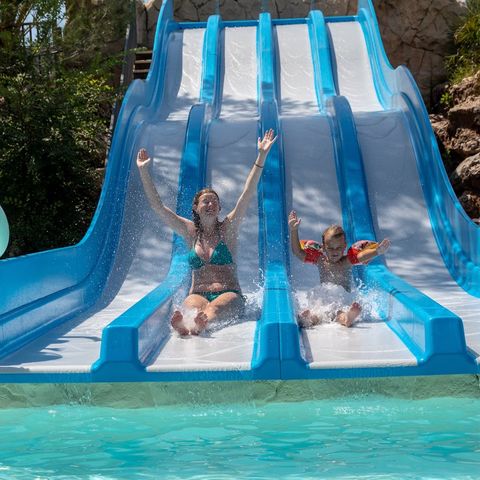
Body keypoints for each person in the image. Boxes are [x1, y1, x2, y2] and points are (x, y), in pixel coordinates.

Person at [137, 129, 277, 336]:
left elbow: (247, 193)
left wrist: (262, 156)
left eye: (214, 202)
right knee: (190, 306)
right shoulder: (189, 231)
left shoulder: (228, 228)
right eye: (206, 201)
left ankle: (197, 324)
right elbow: (158, 207)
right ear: (196, 208)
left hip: (229, 293)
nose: (210, 204)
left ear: (219, 208)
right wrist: (144, 172)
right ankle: (189, 323)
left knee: (214, 309)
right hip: (198, 293)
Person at [288, 210, 390, 328]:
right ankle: (307, 319)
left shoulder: (346, 262)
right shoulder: (320, 261)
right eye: (330, 248)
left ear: (345, 247)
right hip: (324, 301)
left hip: (342, 302)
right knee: (317, 314)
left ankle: (348, 317)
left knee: (340, 313)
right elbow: (298, 252)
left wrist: (377, 251)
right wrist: (294, 230)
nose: (335, 251)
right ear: (323, 248)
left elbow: (361, 256)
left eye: (338, 248)